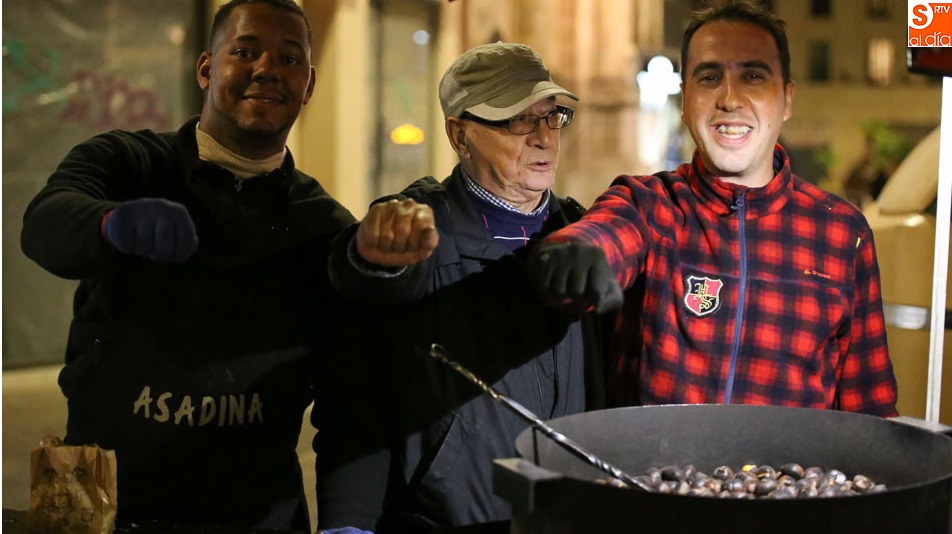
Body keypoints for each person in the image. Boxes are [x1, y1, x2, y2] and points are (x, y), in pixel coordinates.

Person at [20, 1, 359, 531]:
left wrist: (347, 520)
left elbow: (348, 406)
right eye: (245, 52)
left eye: (289, 59)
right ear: (207, 68)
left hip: (253, 515)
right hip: (107, 508)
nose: (267, 69)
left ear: (309, 84)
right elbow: (43, 225)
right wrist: (111, 225)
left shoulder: (325, 228)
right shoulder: (128, 164)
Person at [526, 0, 898, 417]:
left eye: (753, 77)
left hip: (788, 480)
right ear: (685, 102)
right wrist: (577, 254)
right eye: (709, 77)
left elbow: (869, 410)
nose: (730, 99)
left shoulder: (844, 234)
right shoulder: (650, 205)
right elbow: (606, 233)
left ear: (786, 99)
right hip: (651, 479)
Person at [313, 42, 610, 532]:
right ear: (459, 134)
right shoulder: (420, 232)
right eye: (518, 120)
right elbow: (355, 397)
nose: (543, 139)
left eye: (551, 117)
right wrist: (348, 522)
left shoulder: (581, 232)